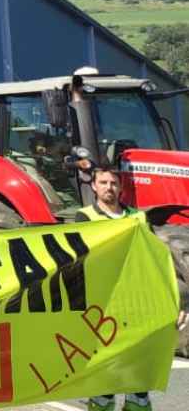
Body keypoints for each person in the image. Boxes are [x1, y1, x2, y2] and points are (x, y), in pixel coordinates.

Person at [78, 164, 189, 411]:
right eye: (104, 182)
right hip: (103, 302)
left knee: (138, 374)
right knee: (104, 373)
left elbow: (154, 259)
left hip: (136, 301)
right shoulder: (84, 216)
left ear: (121, 187)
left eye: (114, 183)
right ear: (94, 186)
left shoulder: (138, 217)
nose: (109, 188)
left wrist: (172, 301)